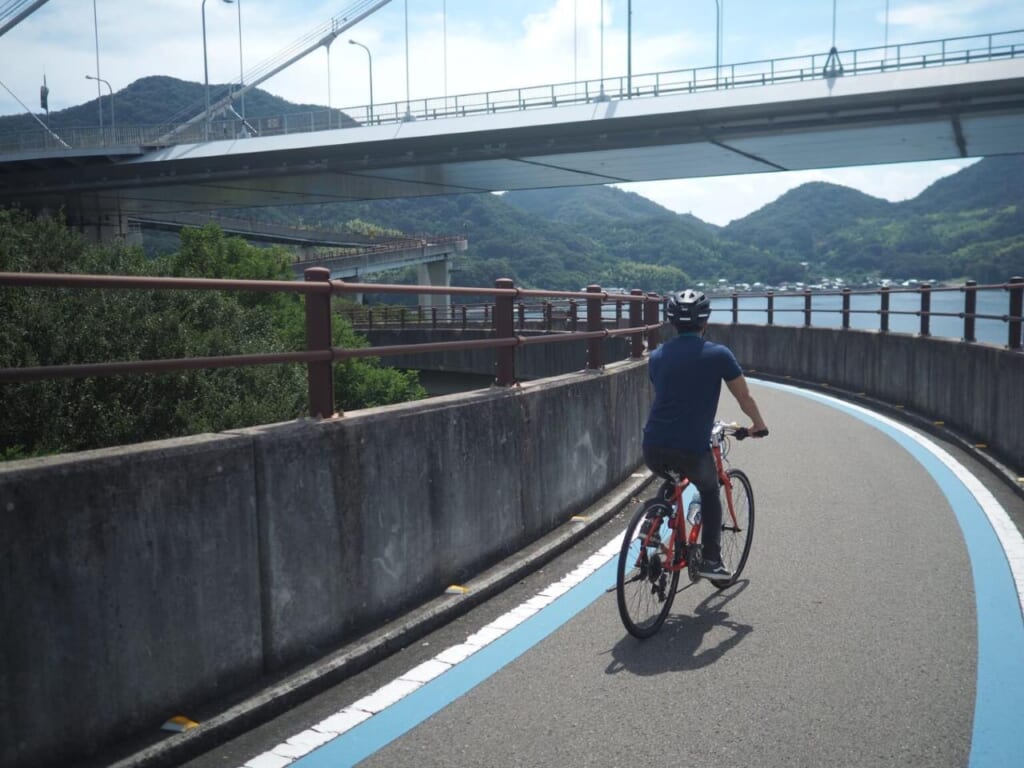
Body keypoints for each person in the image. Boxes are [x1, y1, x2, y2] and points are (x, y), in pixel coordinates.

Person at [642, 288, 768, 580]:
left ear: (672, 321)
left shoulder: (658, 355)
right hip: (690, 447)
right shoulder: (718, 355)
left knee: (672, 477)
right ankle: (712, 560)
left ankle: (652, 520)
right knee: (710, 490)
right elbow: (744, 398)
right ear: (705, 321)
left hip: (652, 445)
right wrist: (758, 425)